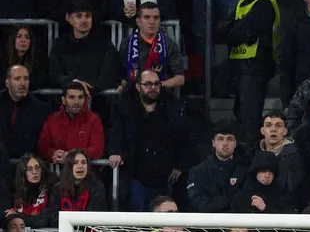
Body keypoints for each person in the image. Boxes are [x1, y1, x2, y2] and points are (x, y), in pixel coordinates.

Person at [109, 69, 189, 212]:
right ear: (138, 86)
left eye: (157, 84)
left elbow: (183, 137)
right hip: (135, 176)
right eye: (148, 84)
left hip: (165, 176)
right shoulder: (125, 107)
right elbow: (116, 132)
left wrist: (180, 165)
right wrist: (115, 151)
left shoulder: (172, 107)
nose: (153, 88)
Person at [227, 0, 281, 145]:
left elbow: (241, 31)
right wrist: (235, 31)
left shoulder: (265, 1)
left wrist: (235, 31)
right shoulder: (243, 2)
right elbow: (225, 30)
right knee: (241, 112)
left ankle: (252, 153)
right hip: (241, 64)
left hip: (258, 64)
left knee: (250, 115)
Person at [38, 82, 104, 163]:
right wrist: (54, 153)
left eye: (80, 97)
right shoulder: (52, 120)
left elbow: (98, 150)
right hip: (58, 173)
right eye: (72, 97)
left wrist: (71, 155)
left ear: (85, 99)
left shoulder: (94, 119)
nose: (76, 102)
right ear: (63, 100)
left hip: (87, 173)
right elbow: (42, 149)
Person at [187, 125, 247, 213]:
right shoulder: (197, 171)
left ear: (235, 144)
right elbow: (198, 202)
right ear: (213, 143)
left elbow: (244, 200)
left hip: (236, 223)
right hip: (207, 223)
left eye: (229, 139)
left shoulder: (244, 170)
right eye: (220, 139)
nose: (225, 143)